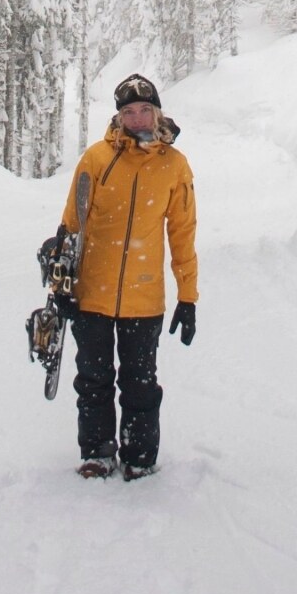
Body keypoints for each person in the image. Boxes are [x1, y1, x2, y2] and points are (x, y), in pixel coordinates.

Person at [53, 73, 198, 481]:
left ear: (157, 113)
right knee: (94, 380)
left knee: (140, 384)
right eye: (129, 112)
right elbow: (71, 226)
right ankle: (98, 452)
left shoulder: (174, 165)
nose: (137, 119)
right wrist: (60, 285)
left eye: (144, 111)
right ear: (118, 117)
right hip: (92, 294)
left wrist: (188, 297)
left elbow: (182, 234)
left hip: (144, 298)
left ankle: (139, 456)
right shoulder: (96, 159)